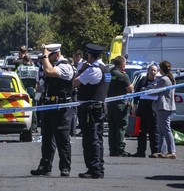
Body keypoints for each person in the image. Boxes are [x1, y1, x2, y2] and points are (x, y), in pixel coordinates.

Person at [31, 43, 74, 177]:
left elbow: (50, 72)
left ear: (56, 54)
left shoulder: (65, 66)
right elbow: (44, 82)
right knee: (47, 138)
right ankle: (45, 166)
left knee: (62, 138)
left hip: (61, 107)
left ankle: (65, 167)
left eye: (47, 57)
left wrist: (44, 57)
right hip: (49, 105)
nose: (45, 60)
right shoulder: (52, 65)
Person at [73, 44, 110, 179]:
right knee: (97, 139)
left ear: (90, 55)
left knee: (91, 139)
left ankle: (94, 168)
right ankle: (97, 167)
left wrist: (80, 69)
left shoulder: (92, 70)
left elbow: (75, 83)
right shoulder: (105, 69)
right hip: (98, 107)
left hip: (90, 108)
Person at [107, 56, 134, 157]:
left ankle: (112, 149)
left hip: (110, 104)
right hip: (120, 105)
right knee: (121, 128)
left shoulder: (108, 73)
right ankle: (120, 149)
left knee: (112, 128)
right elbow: (130, 89)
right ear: (122, 64)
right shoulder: (123, 75)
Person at [131, 64, 159, 158]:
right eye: (152, 70)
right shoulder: (142, 81)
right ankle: (140, 152)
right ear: (148, 70)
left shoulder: (158, 82)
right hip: (142, 110)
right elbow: (136, 94)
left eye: (155, 71)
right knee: (141, 132)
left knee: (153, 132)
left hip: (152, 111)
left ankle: (155, 151)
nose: (153, 72)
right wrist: (134, 106)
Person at [151, 61, 177, 159]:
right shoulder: (170, 78)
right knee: (161, 130)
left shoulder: (164, 80)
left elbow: (155, 92)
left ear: (161, 69)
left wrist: (149, 90)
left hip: (163, 107)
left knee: (166, 129)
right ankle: (161, 151)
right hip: (165, 107)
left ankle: (171, 151)